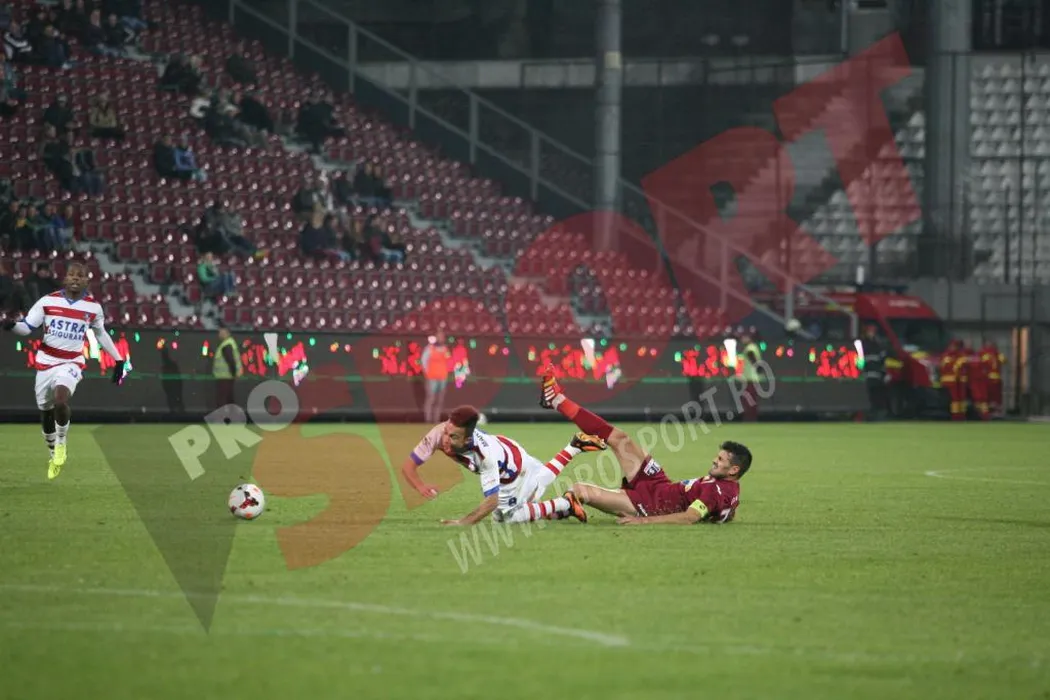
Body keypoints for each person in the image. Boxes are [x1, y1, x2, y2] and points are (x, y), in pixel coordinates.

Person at [539, 363, 750, 524]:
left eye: (720, 460)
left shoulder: (716, 491)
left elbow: (690, 517)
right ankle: (556, 400)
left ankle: (550, 510)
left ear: (734, 470)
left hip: (649, 506)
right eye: (718, 456)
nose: (714, 460)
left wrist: (644, 521)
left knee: (579, 490)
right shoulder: (729, 490)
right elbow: (724, 511)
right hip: (658, 484)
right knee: (620, 438)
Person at [1, 262, 127, 479]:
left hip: (71, 363)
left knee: (61, 400)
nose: (75, 278)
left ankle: (61, 443)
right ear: (65, 278)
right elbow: (27, 328)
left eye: (80, 275)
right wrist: (12, 325)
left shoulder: (92, 308)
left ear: (87, 280)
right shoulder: (47, 302)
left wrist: (118, 359)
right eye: (72, 274)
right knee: (46, 411)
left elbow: (101, 334)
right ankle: (52, 452)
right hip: (46, 362)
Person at [401, 404, 607, 526]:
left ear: (467, 439)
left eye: (452, 436)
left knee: (505, 517)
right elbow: (408, 466)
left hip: (513, 470)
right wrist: (420, 486)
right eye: (446, 431)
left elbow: (492, 501)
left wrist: (462, 522)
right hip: (507, 448)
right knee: (538, 483)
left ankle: (566, 504)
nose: (445, 439)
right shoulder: (438, 434)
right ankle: (574, 447)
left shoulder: (484, 456)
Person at [860, 323, 889, 421]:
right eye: (870, 331)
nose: (871, 333)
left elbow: (883, 361)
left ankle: (877, 415)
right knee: (869, 397)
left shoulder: (879, 345)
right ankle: (870, 415)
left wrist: (884, 374)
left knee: (877, 396)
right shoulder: (863, 345)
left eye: (872, 331)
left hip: (876, 376)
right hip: (867, 376)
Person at [421, 331, 451, 423]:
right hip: (432, 377)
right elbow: (423, 360)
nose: (440, 338)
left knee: (439, 400)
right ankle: (428, 419)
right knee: (431, 398)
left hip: (442, 378)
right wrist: (427, 373)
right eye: (439, 336)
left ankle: (436, 419)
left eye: (442, 337)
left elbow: (449, 361)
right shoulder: (429, 348)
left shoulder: (445, 349)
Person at [212, 324, 242, 413]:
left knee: (222, 399)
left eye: (220, 332)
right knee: (229, 398)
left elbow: (230, 360)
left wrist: (233, 373)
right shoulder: (229, 343)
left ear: (226, 333)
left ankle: (222, 417)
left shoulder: (226, 345)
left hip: (225, 376)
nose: (219, 334)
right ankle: (232, 416)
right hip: (227, 376)